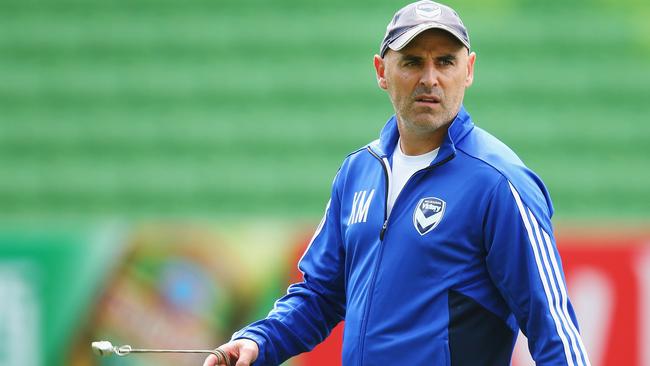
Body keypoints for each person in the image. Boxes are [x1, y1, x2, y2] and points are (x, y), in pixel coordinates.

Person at [204, 1, 591, 365]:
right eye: (411, 62)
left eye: (445, 62)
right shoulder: (358, 171)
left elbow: (551, 323)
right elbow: (321, 294)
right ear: (381, 71)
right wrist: (259, 339)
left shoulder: (498, 182)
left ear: (469, 70)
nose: (430, 78)